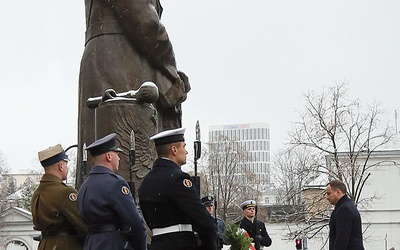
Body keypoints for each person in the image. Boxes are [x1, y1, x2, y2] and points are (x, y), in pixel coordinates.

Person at [77, 0, 191, 175]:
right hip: (121, 59)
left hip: (109, 56)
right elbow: (144, 21)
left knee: (107, 149)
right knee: (128, 158)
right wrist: (171, 72)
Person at [139, 128, 217, 250]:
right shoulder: (178, 179)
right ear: (174, 150)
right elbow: (204, 222)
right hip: (181, 244)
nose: (186, 151)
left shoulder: (146, 182)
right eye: (183, 146)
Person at [77, 133, 147, 250]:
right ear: (109, 156)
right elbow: (136, 224)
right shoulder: (115, 183)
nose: (119, 158)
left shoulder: (84, 186)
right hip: (113, 243)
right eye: (117, 154)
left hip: (90, 244)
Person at [31, 144, 87, 250]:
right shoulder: (65, 192)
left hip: (45, 245)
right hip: (66, 245)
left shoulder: (37, 192)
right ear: (61, 166)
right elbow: (83, 224)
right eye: (66, 164)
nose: (67, 168)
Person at [326, 179, 365, 250]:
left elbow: (341, 240)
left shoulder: (343, 210)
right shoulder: (349, 206)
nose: (327, 197)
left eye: (329, 194)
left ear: (337, 192)